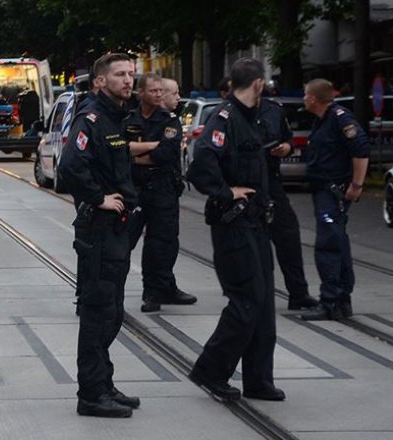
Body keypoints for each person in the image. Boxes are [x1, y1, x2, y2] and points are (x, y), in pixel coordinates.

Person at [185, 58, 284, 403]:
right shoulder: (224, 118)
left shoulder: (252, 118)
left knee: (264, 303)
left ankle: (258, 379)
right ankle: (211, 371)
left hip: (256, 222)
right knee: (247, 299)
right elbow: (201, 163)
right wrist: (226, 192)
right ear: (257, 84)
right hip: (234, 223)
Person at [59, 53, 139, 418]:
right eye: (120, 74)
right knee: (97, 312)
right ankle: (91, 394)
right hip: (99, 230)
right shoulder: (91, 117)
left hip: (116, 230)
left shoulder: (116, 116)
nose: (128, 80)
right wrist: (97, 198)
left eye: (131, 74)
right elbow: (70, 165)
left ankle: (103, 383)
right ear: (101, 80)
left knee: (112, 312)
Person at [300, 78, 370, 321]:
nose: (303, 98)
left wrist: (357, 185)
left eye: (305, 94)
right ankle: (341, 300)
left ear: (313, 98)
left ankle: (330, 301)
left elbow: (361, 149)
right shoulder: (323, 120)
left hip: (333, 192)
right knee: (338, 242)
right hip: (324, 191)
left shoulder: (340, 118)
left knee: (329, 245)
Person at [125, 74, 196, 312]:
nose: (158, 94)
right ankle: (108, 291)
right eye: (153, 91)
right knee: (123, 241)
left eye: (160, 91)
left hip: (163, 188)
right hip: (134, 189)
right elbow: (120, 150)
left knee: (161, 244)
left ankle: (155, 292)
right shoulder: (128, 119)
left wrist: (135, 153)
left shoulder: (170, 121)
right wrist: (150, 147)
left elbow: (166, 153)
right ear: (141, 93)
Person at [257, 97, 320, 311]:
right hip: (245, 183)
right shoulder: (231, 112)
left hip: (272, 181)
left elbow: (287, 139)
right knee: (252, 242)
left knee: (288, 235)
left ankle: (298, 293)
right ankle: (254, 294)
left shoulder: (274, 110)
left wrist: (285, 147)